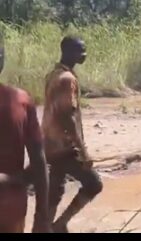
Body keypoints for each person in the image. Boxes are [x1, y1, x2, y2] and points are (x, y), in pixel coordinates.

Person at [42, 36, 103, 233]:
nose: (84, 55)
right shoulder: (67, 79)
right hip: (64, 145)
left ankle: (45, 228)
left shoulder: (53, 74)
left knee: (56, 189)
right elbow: (69, 117)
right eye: (80, 51)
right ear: (68, 52)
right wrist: (83, 151)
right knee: (94, 184)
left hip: (51, 143)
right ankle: (60, 225)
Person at [0, 39, 51, 233]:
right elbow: (39, 161)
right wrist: (43, 218)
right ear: (2, 61)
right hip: (11, 208)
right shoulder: (21, 101)